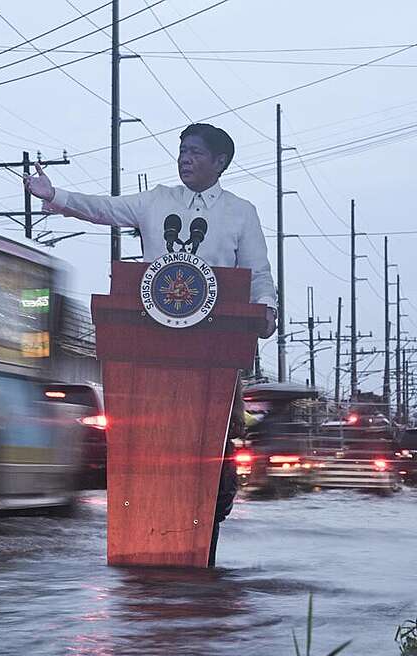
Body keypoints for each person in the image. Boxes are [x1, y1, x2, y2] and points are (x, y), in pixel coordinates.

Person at [26, 123, 277, 567]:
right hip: (149, 340)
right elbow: (104, 208)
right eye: (182, 150)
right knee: (152, 439)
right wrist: (54, 195)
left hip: (214, 348)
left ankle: (216, 496)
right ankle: (148, 529)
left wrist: (266, 307)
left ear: (220, 162)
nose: (185, 158)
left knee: (222, 433)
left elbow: (256, 270)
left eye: (196, 152)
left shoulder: (241, 212)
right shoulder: (155, 200)